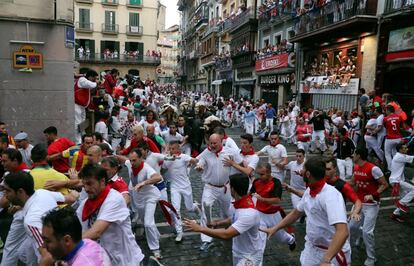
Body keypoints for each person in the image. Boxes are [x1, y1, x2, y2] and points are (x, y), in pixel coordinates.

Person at [261, 157, 351, 266]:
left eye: (303, 169)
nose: (301, 171)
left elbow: (343, 231)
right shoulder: (309, 190)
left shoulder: (331, 196)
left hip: (332, 252)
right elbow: (296, 213)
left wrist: (326, 259)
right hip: (312, 249)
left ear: (308, 174)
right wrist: (275, 228)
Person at [184, 173, 263, 266]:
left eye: (228, 185)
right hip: (238, 251)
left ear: (233, 189)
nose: (227, 187)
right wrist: (217, 224)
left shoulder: (248, 214)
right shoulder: (239, 204)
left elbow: (226, 234)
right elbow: (233, 219)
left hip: (250, 256)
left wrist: (200, 228)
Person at [2, 171, 78, 265]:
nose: (5, 195)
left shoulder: (31, 220)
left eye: (8, 191)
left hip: (59, 254)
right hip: (67, 243)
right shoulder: (42, 193)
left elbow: (49, 256)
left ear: (20, 191)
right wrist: (76, 193)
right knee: (23, 252)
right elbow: (70, 199)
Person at [76, 163, 144, 265]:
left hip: (127, 262)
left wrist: (68, 247)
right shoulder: (84, 205)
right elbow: (80, 232)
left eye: (90, 184)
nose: (86, 188)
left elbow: (96, 232)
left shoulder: (114, 199)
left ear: (102, 181)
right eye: (84, 184)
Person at [195, 133, 243, 251]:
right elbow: (199, 162)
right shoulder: (206, 152)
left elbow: (241, 164)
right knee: (206, 209)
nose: (212, 145)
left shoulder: (231, 152)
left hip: (226, 187)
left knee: (228, 211)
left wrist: (233, 164)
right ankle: (206, 239)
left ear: (221, 141)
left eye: (214, 143)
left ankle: (229, 232)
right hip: (210, 188)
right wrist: (199, 167)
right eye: (210, 143)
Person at [349, 148, 388, 266]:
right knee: (350, 227)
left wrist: (373, 195)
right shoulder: (355, 168)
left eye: (354, 154)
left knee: (367, 232)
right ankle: (360, 237)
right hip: (359, 204)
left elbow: (385, 184)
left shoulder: (373, 169)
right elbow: (352, 183)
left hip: (372, 205)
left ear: (359, 155)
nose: (352, 156)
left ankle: (371, 258)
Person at [125, 149, 163, 259]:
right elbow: (121, 158)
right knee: (144, 220)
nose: (132, 163)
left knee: (148, 223)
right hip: (138, 199)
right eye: (130, 160)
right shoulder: (129, 164)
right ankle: (156, 235)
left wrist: (144, 182)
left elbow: (158, 177)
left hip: (150, 197)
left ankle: (155, 249)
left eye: (134, 160)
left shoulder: (146, 168)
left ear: (141, 158)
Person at [251, 163, 296, 254]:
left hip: (273, 214)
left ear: (269, 173)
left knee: (281, 237)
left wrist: (262, 199)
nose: (259, 177)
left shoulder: (276, 182)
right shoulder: (256, 181)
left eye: (262, 174)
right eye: (258, 174)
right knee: (259, 238)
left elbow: (277, 200)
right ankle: (257, 258)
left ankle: (291, 240)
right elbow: (251, 193)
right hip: (260, 214)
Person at [42, 207, 112, 266]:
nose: (43, 245)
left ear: (67, 240)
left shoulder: (85, 263)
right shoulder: (88, 243)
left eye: (48, 241)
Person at [162, 141, 200, 242]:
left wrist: (197, 163)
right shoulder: (167, 160)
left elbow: (193, 160)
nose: (171, 151)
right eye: (170, 149)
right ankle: (179, 232)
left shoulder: (183, 157)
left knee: (189, 208)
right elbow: (162, 170)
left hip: (186, 186)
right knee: (176, 209)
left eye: (173, 149)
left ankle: (195, 207)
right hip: (174, 187)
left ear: (178, 149)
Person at [389, 143, 414, 222]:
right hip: (397, 181)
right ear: (400, 150)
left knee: (405, 197)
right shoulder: (400, 156)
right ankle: (401, 204)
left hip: (395, 180)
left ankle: (395, 214)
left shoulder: (398, 156)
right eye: (405, 148)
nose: (407, 149)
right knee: (412, 191)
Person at [74, 70, 98, 144]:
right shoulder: (82, 80)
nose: (95, 80)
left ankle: (82, 140)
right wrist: (96, 83)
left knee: (82, 124)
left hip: (82, 107)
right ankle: (77, 142)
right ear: (90, 77)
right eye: (94, 78)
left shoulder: (83, 79)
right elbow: (92, 85)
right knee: (77, 124)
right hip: (76, 105)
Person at [384, 104, 403, 170]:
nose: (385, 112)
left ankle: (391, 169)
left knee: (387, 154)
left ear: (388, 110)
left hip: (389, 138)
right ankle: (397, 167)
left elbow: (386, 127)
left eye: (386, 110)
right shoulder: (399, 117)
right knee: (395, 153)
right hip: (398, 138)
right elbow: (401, 127)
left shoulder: (385, 118)